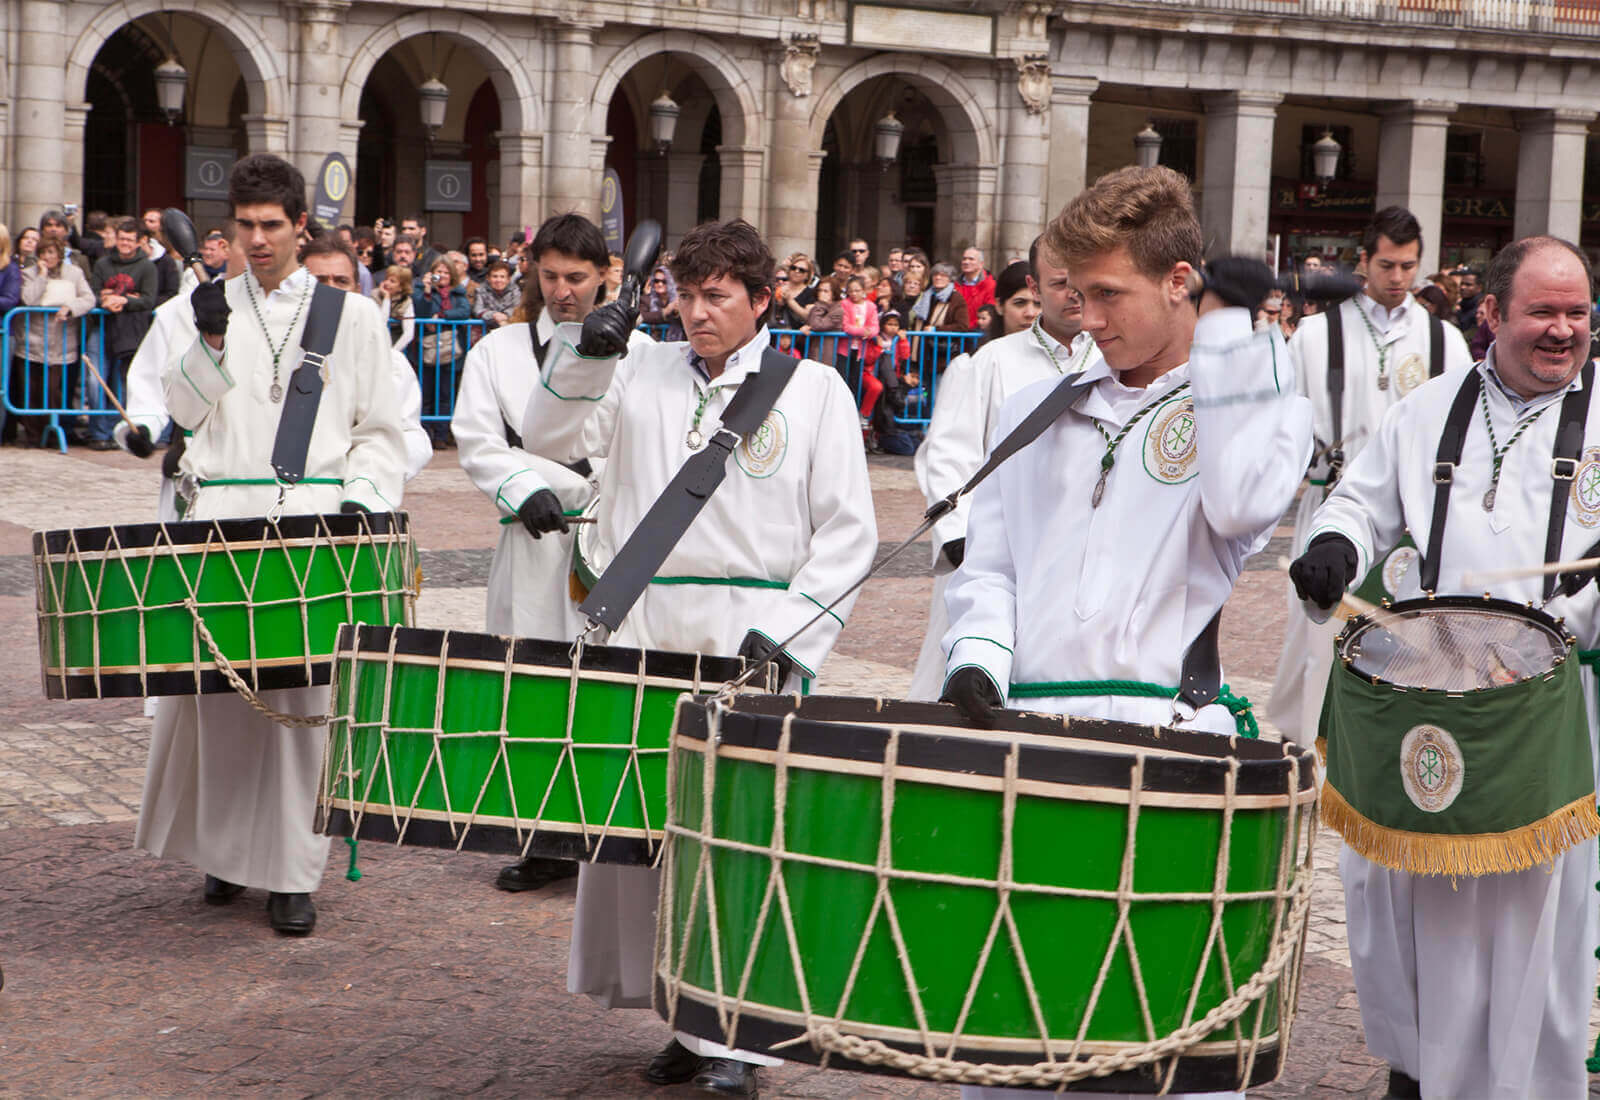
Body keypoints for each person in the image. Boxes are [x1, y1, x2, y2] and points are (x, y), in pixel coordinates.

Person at [941, 172, 1312, 1100]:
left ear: (1181, 281)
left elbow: (1240, 505)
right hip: (1028, 738)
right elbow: (988, 558)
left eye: (1108, 294)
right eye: (1073, 293)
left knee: (1155, 1039)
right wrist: (979, 656)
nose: (1084, 317)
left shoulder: (1258, 391)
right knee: (1009, 1030)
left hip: (1165, 744)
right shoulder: (1050, 398)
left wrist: (1230, 339)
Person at [520, 218, 876, 1099]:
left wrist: (792, 632)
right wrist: (585, 350)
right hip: (646, 624)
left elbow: (848, 532)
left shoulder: (815, 389)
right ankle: (682, 1013)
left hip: (752, 636)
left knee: (745, 840)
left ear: (762, 300)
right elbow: (547, 433)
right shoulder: (637, 366)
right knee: (650, 833)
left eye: (718, 296)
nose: (697, 312)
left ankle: (740, 1037)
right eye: (685, 294)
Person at [1287, 235, 1600, 1100]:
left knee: (1532, 915)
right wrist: (1332, 548)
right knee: (1412, 900)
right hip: (1434, 696)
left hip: (1550, 706)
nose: (1563, 331)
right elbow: (1362, 501)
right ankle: (1417, 1070)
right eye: (1543, 311)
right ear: (1492, 313)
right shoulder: (1428, 408)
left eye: (1577, 312)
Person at [139, 152, 405, 936]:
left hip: (313, 530)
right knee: (220, 700)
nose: (256, 241)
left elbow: (380, 430)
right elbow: (180, 415)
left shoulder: (350, 317)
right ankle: (224, 857)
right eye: (244, 227)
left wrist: (361, 505)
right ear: (227, 229)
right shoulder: (197, 307)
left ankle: (292, 871)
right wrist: (210, 339)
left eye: (271, 227)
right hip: (218, 524)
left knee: (300, 706)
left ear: (299, 226)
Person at [452, 214, 652, 894]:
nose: (563, 290)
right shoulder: (497, 353)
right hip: (535, 535)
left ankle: (617, 824)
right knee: (532, 684)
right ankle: (543, 837)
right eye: (551, 276)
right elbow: (477, 440)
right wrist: (519, 483)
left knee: (608, 684)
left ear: (604, 277)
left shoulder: (644, 352)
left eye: (577, 277)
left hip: (613, 534)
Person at [1268, 206, 1472, 746]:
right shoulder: (1314, 335)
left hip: (1416, 518)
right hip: (1333, 502)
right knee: (1315, 639)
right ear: (1364, 261)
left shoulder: (1445, 341)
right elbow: (1282, 424)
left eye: (1408, 266)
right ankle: (1310, 751)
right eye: (1387, 264)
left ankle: (1388, 749)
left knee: (1410, 642)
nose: (1398, 278)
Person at [908, 247, 1101, 701]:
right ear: (1033, 286)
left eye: (1083, 285)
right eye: (1059, 285)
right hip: (989, 552)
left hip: (1078, 558)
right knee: (961, 679)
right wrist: (958, 534)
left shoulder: (1114, 362)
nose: (1074, 296)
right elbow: (949, 452)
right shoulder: (990, 362)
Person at [300, 236, 431, 483]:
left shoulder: (391, 363)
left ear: (357, 289)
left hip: (354, 496)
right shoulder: (276, 352)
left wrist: (370, 479)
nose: (330, 289)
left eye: (341, 281)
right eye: (318, 281)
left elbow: (411, 438)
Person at [11, 238, 94, 448]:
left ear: (59, 254)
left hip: (62, 342)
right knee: (30, 390)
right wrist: (42, 276)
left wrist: (70, 307)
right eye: (44, 253)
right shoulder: (29, 273)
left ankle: (52, 433)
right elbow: (28, 299)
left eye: (51, 253)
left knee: (54, 390)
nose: (48, 257)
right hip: (32, 341)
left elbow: (88, 299)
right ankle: (32, 436)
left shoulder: (74, 273)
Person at [88, 217, 158, 450]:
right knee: (95, 380)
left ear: (139, 242)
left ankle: (121, 430)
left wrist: (123, 300)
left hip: (131, 330)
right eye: (121, 239)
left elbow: (149, 299)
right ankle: (99, 432)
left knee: (125, 383)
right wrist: (105, 300)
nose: (124, 243)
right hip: (103, 326)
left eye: (129, 239)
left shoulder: (147, 267)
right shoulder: (102, 264)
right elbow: (93, 293)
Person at [374, 265, 415, 353]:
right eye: (386, 279)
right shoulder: (373, 295)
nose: (386, 283)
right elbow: (381, 322)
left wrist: (394, 352)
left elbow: (409, 333)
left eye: (392, 281)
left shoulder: (406, 301)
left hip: (393, 347)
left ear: (401, 287)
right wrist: (386, 299)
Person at [771, 253, 816, 328]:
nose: (796, 271)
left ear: (807, 275)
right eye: (793, 268)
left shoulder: (811, 292)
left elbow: (808, 317)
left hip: (799, 334)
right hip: (776, 332)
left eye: (801, 270)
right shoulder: (779, 287)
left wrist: (790, 301)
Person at [640, 265, 683, 341]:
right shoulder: (645, 299)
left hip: (675, 342)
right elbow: (642, 316)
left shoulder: (679, 299)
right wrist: (665, 312)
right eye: (656, 281)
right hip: (652, 342)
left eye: (664, 281)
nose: (660, 284)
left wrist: (677, 313)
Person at [473, 260, 519, 329]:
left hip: (509, 328)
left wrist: (505, 315)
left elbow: (517, 308)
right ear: (488, 278)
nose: (498, 280)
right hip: (486, 329)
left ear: (508, 279)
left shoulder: (515, 290)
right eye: (495, 276)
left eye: (502, 277)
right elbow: (478, 310)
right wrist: (494, 315)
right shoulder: (480, 290)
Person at [955, 246, 996, 319]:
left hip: (978, 328)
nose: (966, 262)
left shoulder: (990, 285)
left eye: (971, 259)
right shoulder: (954, 285)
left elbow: (989, 314)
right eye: (964, 259)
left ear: (981, 264)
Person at [1455, 264, 1484, 332]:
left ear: (1479, 288)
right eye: (1462, 284)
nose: (1463, 287)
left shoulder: (1480, 309)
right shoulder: (1462, 306)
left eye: (1468, 285)